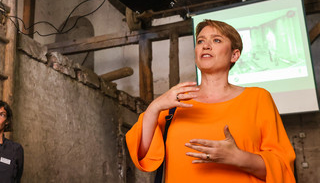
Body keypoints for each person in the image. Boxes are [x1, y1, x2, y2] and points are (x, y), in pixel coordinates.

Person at [126, 19, 296, 182]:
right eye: (200, 41)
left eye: (216, 40)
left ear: (234, 55)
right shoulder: (175, 102)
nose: (205, 45)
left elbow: (282, 168)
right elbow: (142, 154)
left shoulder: (258, 98)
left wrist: (237, 157)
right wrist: (155, 107)